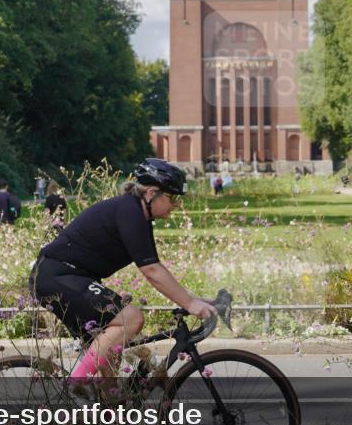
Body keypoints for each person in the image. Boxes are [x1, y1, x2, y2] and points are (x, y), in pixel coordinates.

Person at [29, 158, 217, 381]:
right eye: (172, 197)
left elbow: (156, 267)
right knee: (132, 318)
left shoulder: (136, 215)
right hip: (57, 275)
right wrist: (191, 304)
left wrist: (191, 299)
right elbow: (152, 271)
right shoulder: (130, 212)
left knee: (110, 358)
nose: (176, 204)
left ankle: (108, 412)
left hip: (66, 276)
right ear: (151, 193)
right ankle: (76, 385)